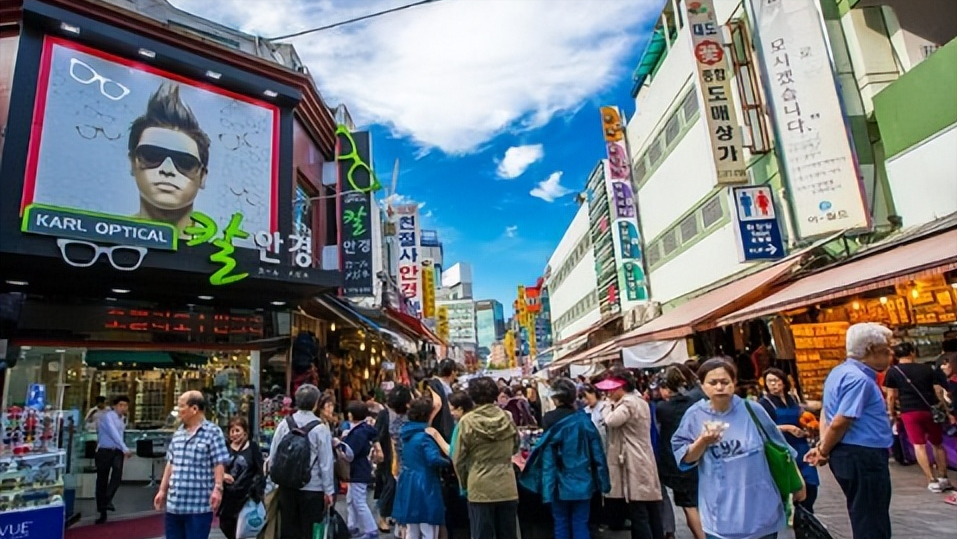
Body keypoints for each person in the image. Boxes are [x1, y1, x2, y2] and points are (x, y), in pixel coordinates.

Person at [673, 359, 805, 539]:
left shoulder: (753, 409)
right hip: (720, 515)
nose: (719, 387)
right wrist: (703, 441)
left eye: (725, 382)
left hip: (761, 509)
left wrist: (798, 483)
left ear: (734, 383)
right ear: (702, 386)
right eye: (713, 383)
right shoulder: (694, 416)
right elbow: (684, 459)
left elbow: (781, 447)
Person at [805, 323, 894, 539]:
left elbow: (827, 412)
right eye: (886, 349)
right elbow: (840, 421)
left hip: (852, 453)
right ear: (870, 350)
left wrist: (822, 445)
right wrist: (824, 450)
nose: (891, 354)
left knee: (864, 512)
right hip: (862, 455)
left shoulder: (840, 372)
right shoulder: (859, 379)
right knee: (871, 519)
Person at [520, 378, 610, 539]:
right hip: (584, 480)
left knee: (560, 523)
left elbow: (546, 455)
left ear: (555, 398)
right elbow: (597, 453)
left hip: (558, 481)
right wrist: (604, 483)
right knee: (581, 523)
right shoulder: (584, 420)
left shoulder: (549, 419)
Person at [128, 83, 210, 236]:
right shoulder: (109, 237)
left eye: (184, 162)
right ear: (133, 162)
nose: (167, 169)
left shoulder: (217, 250)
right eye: (152, 155)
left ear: (203, 176)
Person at [154, 391, 230, 539]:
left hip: (198, 505)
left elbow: (219, 462)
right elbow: (171, 463)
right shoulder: (178, 434)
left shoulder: (213, 432)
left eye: (181, 406)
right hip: (175, 505)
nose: (178, 411)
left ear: (194, 409)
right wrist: (162, 490)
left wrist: (218, 488)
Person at [598, 369, 663, 539]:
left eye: (612, 389)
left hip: (633, 460)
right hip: (642, 457)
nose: (608, 392)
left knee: (638, 510)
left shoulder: (627, 403)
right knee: (649, 508)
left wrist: (605, 406)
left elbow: (611, 420)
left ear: (622, 387)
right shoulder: (640, 400)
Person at [453, 376, 520, 539]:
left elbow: (458, 459)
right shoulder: (507, 418)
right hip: (506, 486)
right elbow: (515, 446)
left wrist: (465, 483)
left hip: (479, 487)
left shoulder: (467, 422)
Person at [266, 384, 335, 539]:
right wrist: (329, 490)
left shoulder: (285, 424)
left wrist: (275, 479)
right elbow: (326, 463)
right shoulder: (320, 428)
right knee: (310, 530)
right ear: (316, 403)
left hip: (287, 485)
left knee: (288, 528)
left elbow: (274, 453)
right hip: (313, 487)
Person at [883, 341, 951, 493]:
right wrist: (944, 409)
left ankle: (931, 480)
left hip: (909, 412)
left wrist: (891, 413)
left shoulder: (893, 372)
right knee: (938, 444)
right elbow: (939, 391)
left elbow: (891, 396)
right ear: (912, 353)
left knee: (918, 445)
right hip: (930, 409)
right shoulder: (928, 368)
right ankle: (943, 477)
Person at [759, 368, 821, 512]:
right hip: (782, 448)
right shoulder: (765, 403)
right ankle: (799, 516)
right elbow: (764, 428)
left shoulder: (792, 399)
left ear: (783, 381)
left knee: (811, 482)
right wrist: (788, 428)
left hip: (801, 446)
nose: (773, 384)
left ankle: (808, 513)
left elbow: (801, 417)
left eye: (776, 380)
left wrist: (808, 427)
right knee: (795, 485)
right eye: (769, 381)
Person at [655, 367, 706, 539]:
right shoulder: (696, 403)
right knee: (703, 500)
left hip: (676, 461)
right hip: (699, 455)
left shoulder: (662, 408)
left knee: (689, 505)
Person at [393, 398, 451, 538]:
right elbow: (433, 459)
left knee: (411, 528)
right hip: (426, 483)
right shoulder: (425, 436)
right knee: (428, 527)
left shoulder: (405, 434)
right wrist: (449, 461)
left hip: (408, 481)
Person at [375, 385, 413, 533]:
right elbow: (377, 433)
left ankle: (395, 515)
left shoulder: (409, 413)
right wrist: (378, 449)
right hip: (391, 455)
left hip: (405, 453)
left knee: (399, 486)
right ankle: (383, 517)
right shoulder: (385, 414)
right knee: (390, 485)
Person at [218, 416, 264, 539]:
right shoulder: (225, 447)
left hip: (247, 496)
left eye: (237, 430)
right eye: (232, 431)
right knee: (226, 525)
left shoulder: (253, 448)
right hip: (228, 496)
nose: (234, 434)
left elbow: (260, 470)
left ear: (245, 431)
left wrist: (258, 491)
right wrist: (222, 476)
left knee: (244, 528)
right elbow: (217, 466)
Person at [343, 401, 380, 539]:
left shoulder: (357, 433)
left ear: (352, 415)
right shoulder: (364, 429)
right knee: (352, 499)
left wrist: (339, 445)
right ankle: (352, 525)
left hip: (357, 470)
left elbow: (350, 453)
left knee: (358, 501)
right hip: (361, 468)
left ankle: (371, 529)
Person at [94, 395, 131, 524]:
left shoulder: (123, 419)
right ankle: (102, 510)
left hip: (117, 451)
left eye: (125, 405)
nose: (123, 408)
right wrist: (125, 448)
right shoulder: (108, 416)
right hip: (105, 451)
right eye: (121, 405)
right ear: (115, 406)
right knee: (102, 480)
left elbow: (120, 435)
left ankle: (106, 500)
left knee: (117, 476)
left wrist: (122, 448)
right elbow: (113, 433)